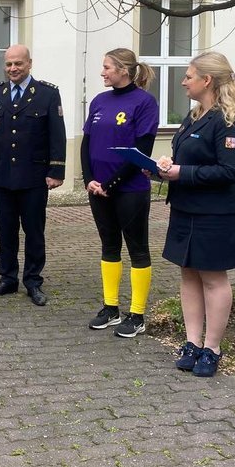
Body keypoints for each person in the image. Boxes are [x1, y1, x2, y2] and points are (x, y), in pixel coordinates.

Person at [156, 51, 235, 378]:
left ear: (206, 80)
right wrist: (164, 167)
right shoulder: (194, 115)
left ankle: (212, 348)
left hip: (216, 214)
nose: (183, 81)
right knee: (188, 274)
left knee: (212, 277)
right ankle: (192, 343)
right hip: (185, 209)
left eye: (189, 76)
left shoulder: (230, 120)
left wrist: (183, 172)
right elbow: (187, 159)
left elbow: (230, 171)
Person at [0, 44, 67, 306]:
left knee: (34, 231)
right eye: (8, 64)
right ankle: (7, 278)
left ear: (30, 63)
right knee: (6, 231)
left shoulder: (47, 94)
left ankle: (33, 280)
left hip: (34, 177)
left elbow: (57, 135)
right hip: (4, 176)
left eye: (18, 64)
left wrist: (56, 171)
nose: (13, 69)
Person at [83, 48, 159, 337]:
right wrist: (89, 179)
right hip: (98, 188)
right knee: (109, 245)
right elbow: (86, 142)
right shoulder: (100, 101)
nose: (102, 72)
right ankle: (111, 308)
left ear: (124, 71)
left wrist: (110, 184)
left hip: (130, 189)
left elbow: (142, 151)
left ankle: (137, 314)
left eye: (106, 67)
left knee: (137, 248)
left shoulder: (144, 102)